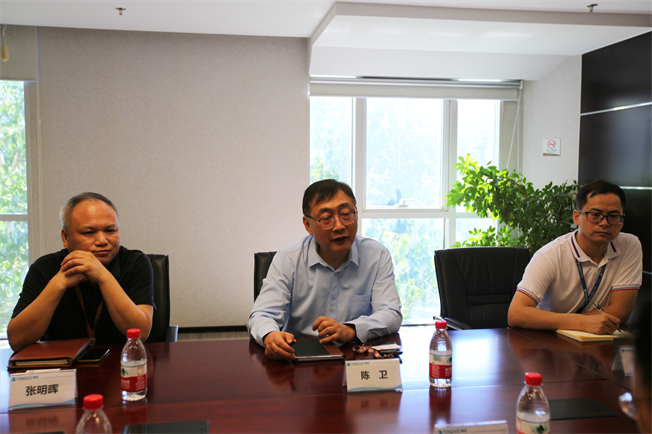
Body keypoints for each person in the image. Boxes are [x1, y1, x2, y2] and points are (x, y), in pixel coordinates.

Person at [247, 179, 402, 360]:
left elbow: (391, 313)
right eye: (326, 218)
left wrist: (350, 330)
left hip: (356, 359)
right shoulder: (288, 259)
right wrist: (270, 336)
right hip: (299, 359)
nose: (339, 226)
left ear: (356, 214)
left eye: (346, 214)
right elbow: (262, 314)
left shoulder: (377, 255)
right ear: (308, 225)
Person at [7, 192, 154, 352]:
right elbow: (17, 340)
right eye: (89, 233)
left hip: (122, 361)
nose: (102, 241)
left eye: (110, 230)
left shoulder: (136, 263)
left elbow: (141, 332)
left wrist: (103, 276)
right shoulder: (44, 268)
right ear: (65, 237)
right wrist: (58, 284)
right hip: (62, 363)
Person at [508, 180, 642, 334]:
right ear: (577, 217)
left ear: (622, 221)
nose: (604, 223)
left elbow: (621, 311)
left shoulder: (629, 245)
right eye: (595, 215)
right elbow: (516, 313)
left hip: (594, 337)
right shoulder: (549, 255)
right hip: (546, 337)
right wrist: (582, 323)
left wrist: (583, 324)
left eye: (613, 216)